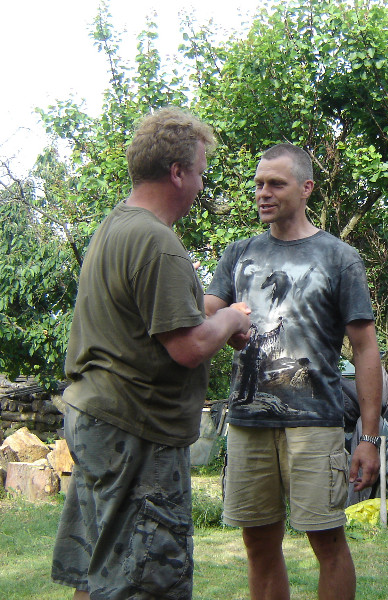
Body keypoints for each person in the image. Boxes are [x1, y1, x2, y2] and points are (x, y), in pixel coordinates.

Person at [50, 107, 252, 600]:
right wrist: (231, 319)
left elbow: (157, 330)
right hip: (135, 433)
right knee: (145, 582)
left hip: (98, 420)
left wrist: (209, 318)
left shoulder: (115, 227)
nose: (201, 185)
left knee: (99, 571)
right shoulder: (157, 242)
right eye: (200, 172)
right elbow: (188, 347)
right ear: (177, 172)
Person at [205, 143, 383, 600]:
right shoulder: (238, 253)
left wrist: (369, 437)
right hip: (248, 422)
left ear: (306, 188)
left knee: (328, 543)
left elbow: (366, 350)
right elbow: (203, 317)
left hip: (316, 424)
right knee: (257, 543)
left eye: (276, 184)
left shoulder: (339, 256)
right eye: (259, 184)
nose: (263, 193)